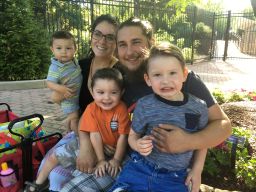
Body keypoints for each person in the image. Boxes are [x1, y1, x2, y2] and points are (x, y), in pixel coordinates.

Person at [62, 17, 231, 191]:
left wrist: (188, 142)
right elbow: (92, 113)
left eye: (136, 42)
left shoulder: (182, 79)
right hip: (125, 162)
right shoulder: (118, 77)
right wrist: (86, 145)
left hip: (172, 171)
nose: (129, 52)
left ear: (151, 42)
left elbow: (223, 125)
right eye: (122, 44)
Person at [36, 14, 120, 192]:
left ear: (116, 42)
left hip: (103, 141)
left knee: (59, 176)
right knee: (46, 167)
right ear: (91, 36)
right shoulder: (79, 65)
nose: (102, 41)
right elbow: (55, 97)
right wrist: (60, 97)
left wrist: (92, 145)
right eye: (98, 34)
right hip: (79, 131)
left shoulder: (120, 73)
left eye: (110, 37)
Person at [110, 42, 208, 192]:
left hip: (175, 177)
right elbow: (133, 136)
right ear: (148, 79)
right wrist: (138, 145)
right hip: (140, 168)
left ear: (184, 74)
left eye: (172, 73)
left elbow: (202, 141)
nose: (165, 80)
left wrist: (197, 170)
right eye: (157, 75)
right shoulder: (144, 105)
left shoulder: (199, 107)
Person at [24, 68, 130, 192]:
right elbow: (94, 135)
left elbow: (123, 136)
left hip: (111, 151)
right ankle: (38, 183)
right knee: (55, 154)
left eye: (113, 92)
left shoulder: (121, 109)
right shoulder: (91, 108)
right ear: (92, 92)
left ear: (121, 92)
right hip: (93, 144)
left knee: (92, 169)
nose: (106, 98)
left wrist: (116, 159)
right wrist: (101, 159)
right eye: (100, 92)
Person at [46, 31, 82, 133]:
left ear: (75, 49)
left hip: (76, 96)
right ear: (52, 49)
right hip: (68, 98)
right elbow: (49, 83)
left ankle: (67, 129)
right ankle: (77, 136)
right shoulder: (55, 67)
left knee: (74, 116)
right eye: (59, 48)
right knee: (75, 118)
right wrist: (61, 89)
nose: (63, 52)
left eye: (68, 48)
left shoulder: (74, 61)